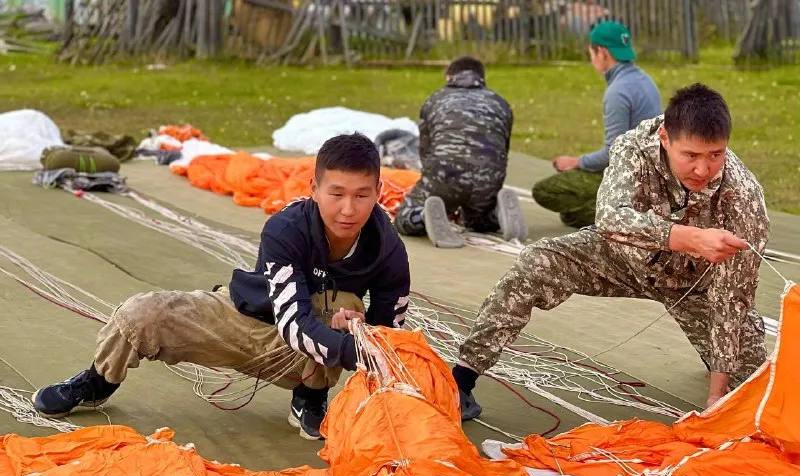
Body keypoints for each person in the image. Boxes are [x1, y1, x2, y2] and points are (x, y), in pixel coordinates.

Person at [33, 133, 411, 441]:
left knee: (346, 308)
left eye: (362, 195)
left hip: (302, 350)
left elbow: (386, 336)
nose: (348, 209)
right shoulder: (286, 229)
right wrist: (358, 351)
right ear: (314, 188)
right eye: (337, 193)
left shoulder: (390, 250)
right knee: (141, 313)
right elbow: (293, 323)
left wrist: (374, 356)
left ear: (379, 190)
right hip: (248, 317)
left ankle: (310, 398)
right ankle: (99, 380)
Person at [453, 84, 769, 419]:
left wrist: (716, 396)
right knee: (537, 261)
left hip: (694, 286)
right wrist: (688, 238)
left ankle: (715, 359)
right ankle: (462, 378)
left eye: (715, 155)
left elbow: (732, 296)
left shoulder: (743, 196)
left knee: (753, 390)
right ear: (665, 137)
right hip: (619, 259)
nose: (703, 170)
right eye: (690, 156)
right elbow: (609, 218)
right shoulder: (633, 147)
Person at [533, 20, 661, 229]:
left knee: (546, 191)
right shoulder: (646, 81)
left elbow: (613, 153)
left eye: (591, 54)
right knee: (570, 215)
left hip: (631, 178)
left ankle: (626, 215)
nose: (592, 59)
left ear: (601, 52)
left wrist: (576, 162)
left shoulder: (618, 92)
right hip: (651, 173)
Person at [395, 55, 526, 248]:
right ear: (482, 77)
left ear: (449, 77)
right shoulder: (501, 103)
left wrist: (433, 183)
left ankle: (423, 215)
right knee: (478, 221)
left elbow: (426, 151)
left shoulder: (434, 100)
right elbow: (502, 151)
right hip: (487, 179)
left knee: (402, 219)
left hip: (445, 176)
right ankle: (496, 214)